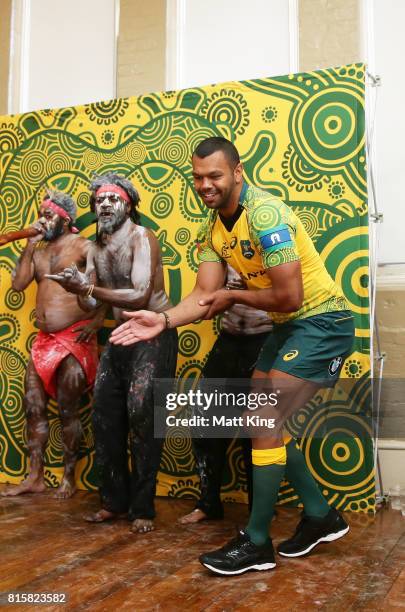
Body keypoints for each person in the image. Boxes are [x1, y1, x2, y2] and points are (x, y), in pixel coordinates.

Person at [109, 136, 355, 573]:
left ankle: (257, 542)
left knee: (262, 419)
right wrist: (162, 320)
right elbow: (204, 296)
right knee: (258, 420)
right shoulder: (216, 229)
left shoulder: (266, 215)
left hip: (323, 323)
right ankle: (320, 514)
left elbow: (290, 296)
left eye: (215, 175)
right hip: (291, 328)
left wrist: (229, 294)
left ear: (237, 172)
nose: (205, 184)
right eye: (198, 177)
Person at [47, 173, 178, 533]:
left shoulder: (142, 238)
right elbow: (90, 304)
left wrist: (89, 286)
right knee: (105, 416)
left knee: (142, 415)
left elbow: (138, 295)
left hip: (153, 335)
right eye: (99, 200)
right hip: (121, 335)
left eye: (112, 199)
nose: (104, 204)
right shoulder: (95, 248)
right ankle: (113, 502)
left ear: (129, 205)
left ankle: (142, 508)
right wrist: (78, 287)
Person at [1, 190, 101, 500]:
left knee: (68, 412)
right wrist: (29, 244)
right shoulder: (40, 251)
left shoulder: (85, 247)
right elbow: (19, 284)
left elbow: (104, 286)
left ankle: (68, 478)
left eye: (49, 215)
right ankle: (35, 477)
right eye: (41, 214)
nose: (43, 220)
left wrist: (97, 323)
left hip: (73, 338)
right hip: (44, 341)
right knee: (34, 406)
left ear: (65, 219)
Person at [179, 265, 272, 525]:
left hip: (265, 339)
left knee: (255, 430)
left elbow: (289, 296)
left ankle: (259, 508)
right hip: (229, 339)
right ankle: (208, 503)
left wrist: (245, 291)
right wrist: (223, 294)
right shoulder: (223, 251)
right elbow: (207, 304)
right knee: (205, 424)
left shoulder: (272, 242)